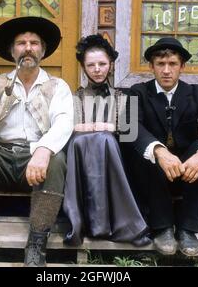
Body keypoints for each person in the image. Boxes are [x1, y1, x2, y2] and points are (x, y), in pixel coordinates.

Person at [0, 16, 74, 267]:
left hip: (35, 166)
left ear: (43, 50)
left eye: (34, 43)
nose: (28, 47)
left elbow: (64, 124)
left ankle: (36, 247)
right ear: (12, 51)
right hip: (0, 163)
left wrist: (43, 150)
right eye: (21, 43)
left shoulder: (57, 87)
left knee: (56, 158)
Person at [126, 37, 198, 256]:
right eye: (160, 64)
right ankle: (162, 227)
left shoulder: (197, 93)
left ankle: (187, 228)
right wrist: (158, 151)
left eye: (172, 64)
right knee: (140, 148)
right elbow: (128, 128)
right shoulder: (137, 92)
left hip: (188, 174)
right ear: (151, 67)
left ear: (182, 67)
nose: (166, 70)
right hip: (151, 176)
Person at [63, 34, 151, 247]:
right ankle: (83, 222)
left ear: (111, 65)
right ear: (83, 67)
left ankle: (124, 224)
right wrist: (103, 129)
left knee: (106, 140)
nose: (97, 69)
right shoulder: (73, 98)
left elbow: (130, 134)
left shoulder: (124, 96)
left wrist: (103, 129)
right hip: (82, 166)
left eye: (102, 64)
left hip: (116, 165)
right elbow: (67, 131)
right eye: (91, 64)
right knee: (81, 141)